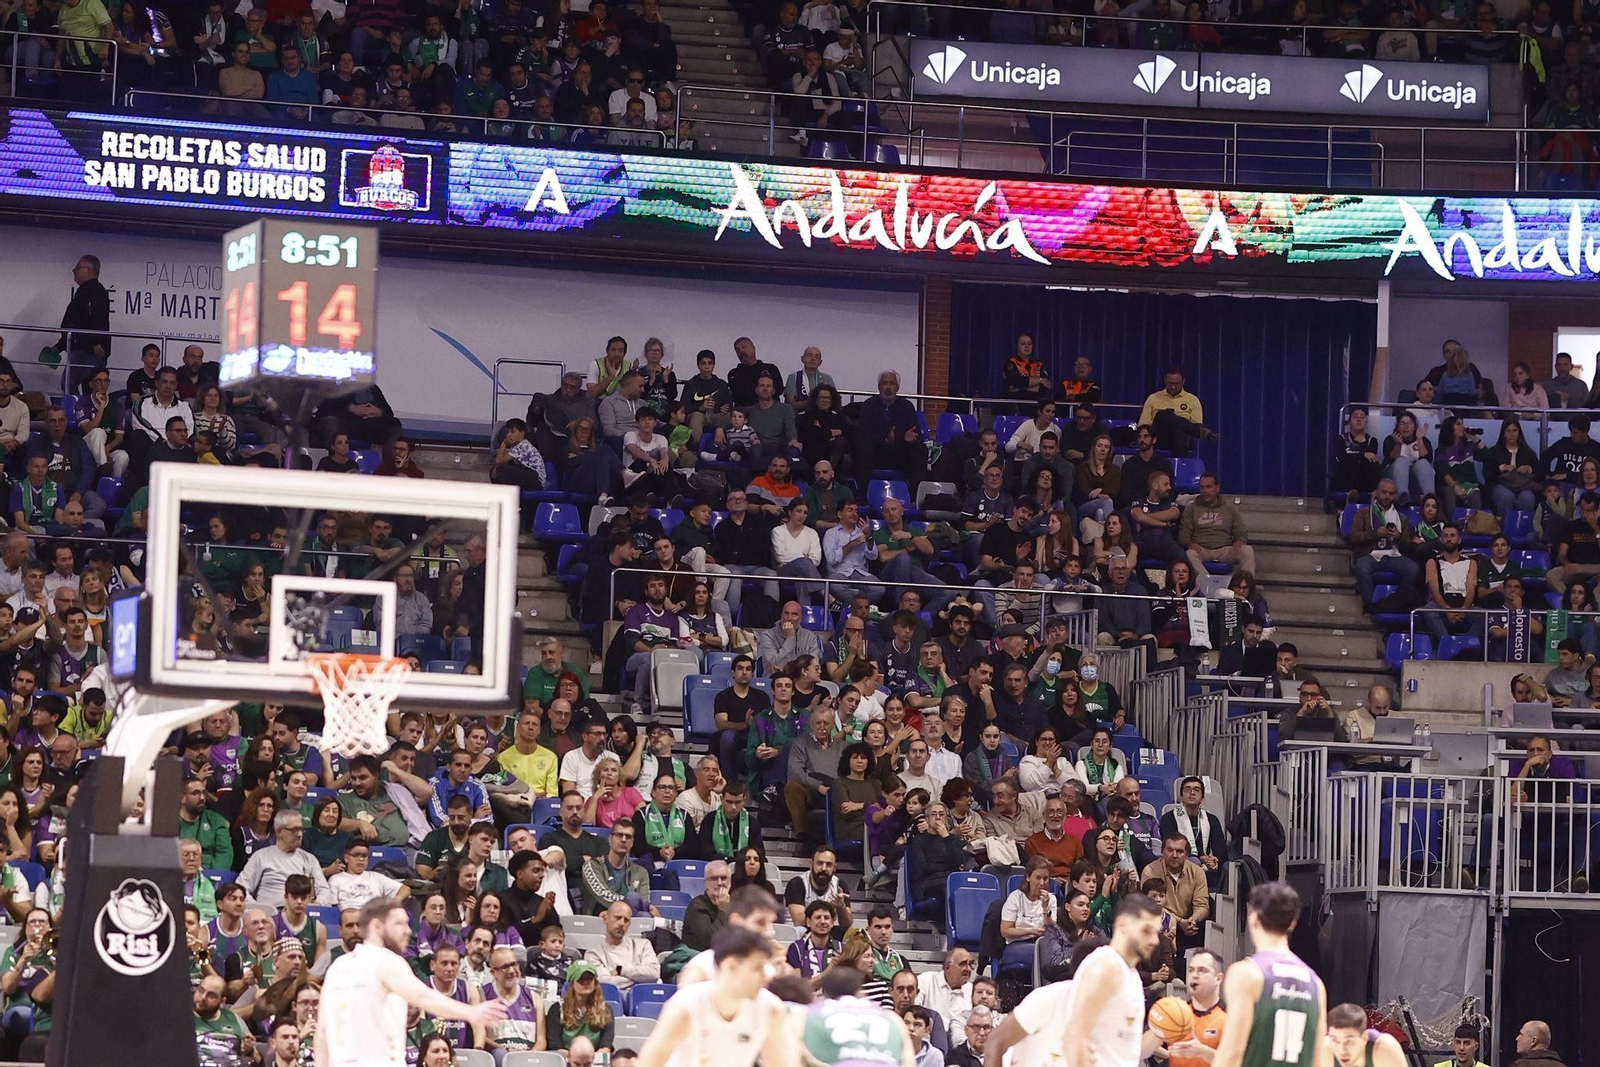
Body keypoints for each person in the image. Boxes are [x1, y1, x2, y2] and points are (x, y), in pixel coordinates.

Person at [316, 897, 508, 1064]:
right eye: (399, 923)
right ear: (376, 926)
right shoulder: (385, 960)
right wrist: (471, 1011)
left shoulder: (336, 969)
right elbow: (422, 996)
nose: (408, 930)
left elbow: (322, 1036)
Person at [636, 926, 797, 1067]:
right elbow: (648, 1062)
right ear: (731, 966)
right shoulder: (685, 1008)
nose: (767, 976)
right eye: (757, 968)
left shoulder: (771, 1009)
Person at [1208, 882, 1326, 1067]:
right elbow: (1319, 1060)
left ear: (1253, 918)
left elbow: (1232, 1052)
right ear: (1292, 924)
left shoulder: (1247, 973)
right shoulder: (1316, 984)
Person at [1140, 368, 1214, 455]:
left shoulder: (1193, 400)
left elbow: (1197, 423)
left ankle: (1181, 465)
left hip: (1183, 439)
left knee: (1180, 432)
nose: (1173, 387)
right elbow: (1143, 426)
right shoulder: (1153, 398)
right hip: (1159, 437)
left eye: (1176, 384)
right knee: (1162, 415)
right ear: (1165, 381)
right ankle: (1199, 431)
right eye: (1170, 383)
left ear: (1183, 381)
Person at [1328, 1004, 1408, 1067]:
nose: (1342, 1050)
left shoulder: (1383, 1047)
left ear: (1364, 1038)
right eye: (1335, 1041)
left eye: (1349, 1041)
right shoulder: (1325, 1049)